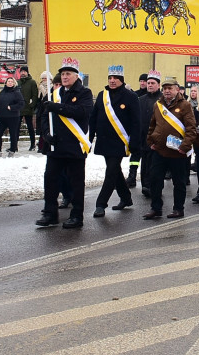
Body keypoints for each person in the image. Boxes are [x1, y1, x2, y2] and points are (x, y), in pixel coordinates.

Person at [36, 58, 93, 229]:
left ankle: (76, 216)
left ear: (76, 76)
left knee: (76, 182)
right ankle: (50, 213)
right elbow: (44, 116)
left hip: (74, 145)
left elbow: (81, 112)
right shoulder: (55, 94)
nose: (65, 77)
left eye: (68, 74)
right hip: (56, 145)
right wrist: (46, 134)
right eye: (62, 74)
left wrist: (57, 107)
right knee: (50, 179)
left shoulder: (85, 93)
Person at [89, 65, 140, 217]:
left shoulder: (130, 97)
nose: (112, 81)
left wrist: (135, 142)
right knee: (115, 170)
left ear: (122, 80)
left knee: (111, 172)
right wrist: (88, 139)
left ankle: (101, 204)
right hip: (104, 140)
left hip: (120, 141)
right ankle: (126, 198)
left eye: (116, 78)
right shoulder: (102, 95)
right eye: (110, 78)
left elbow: (136, 122)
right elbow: (93, 118)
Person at [144, 77, 197, 219]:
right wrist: (151, 141)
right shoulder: (158, 105)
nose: (167, 91)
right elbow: (152, 125)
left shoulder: (185, 105)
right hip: (159, 150)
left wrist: (185, 146)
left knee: (179, 182)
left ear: (177, 90)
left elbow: (191, 128)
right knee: (155, 180)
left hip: (177, 151)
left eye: (170, 88)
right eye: (165, 88)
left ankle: (178, 209)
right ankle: (156, 208)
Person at [135, 70, 163, 196]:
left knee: (156, 165)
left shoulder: (162, 100)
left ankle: (155, 187)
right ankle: (146, 186)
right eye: (148, 83)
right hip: (144, 138)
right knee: (145, 164)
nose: (150, 85)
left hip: (158, 139)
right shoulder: (141, 100)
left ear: (158, 85)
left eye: (153, 83)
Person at [0, 75, 25, 158]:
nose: (10, 83)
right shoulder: (2, 92)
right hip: (2, 116)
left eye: (12, 82)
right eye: (9, 81)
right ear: (6, 83)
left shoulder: (17, 92)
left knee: (13, 134)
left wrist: (12, 107)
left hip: (13, 117)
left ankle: (12, 150)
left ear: (14, 83)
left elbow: (21, 103)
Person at [17, 65, 40, 151]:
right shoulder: (17, 82)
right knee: (16, 127)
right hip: (18, 108)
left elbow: (35, 95)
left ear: (27, 72)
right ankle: (14, 145)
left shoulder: (32, 82)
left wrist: (32, 105)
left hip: (28, 108)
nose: (23, 73)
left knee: (30, 127)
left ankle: (32, 144)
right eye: (21, 71)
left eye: (24, 71)